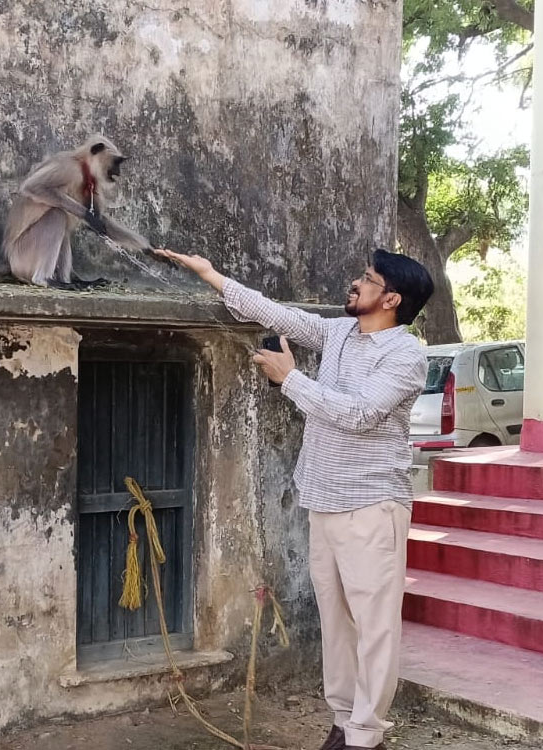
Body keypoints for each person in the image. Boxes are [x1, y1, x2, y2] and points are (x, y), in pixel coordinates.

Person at [156, 246, 433, 750]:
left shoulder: (405, 355)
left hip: (372, 505)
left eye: (368, 279)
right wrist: (210, 274)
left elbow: (358, 415)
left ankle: (366, 735)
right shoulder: (339, 333)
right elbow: (277, 314)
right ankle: (343, 720)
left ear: (391, 299)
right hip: (323, 500)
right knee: (336, 623)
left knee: (374, 627)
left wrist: (290, 379)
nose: (356, 282)